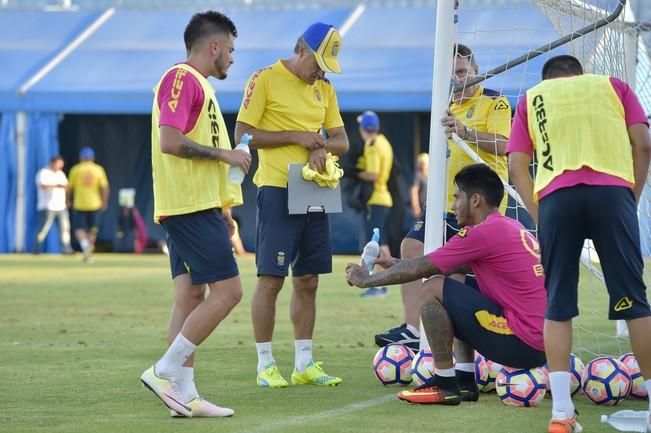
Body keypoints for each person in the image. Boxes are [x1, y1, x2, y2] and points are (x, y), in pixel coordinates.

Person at [507, 55, 651, 433]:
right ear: (580, 76)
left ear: (549, 79)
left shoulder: (532, 97)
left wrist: (540, 216)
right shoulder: (613, 85)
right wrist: (629, 197)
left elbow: (517, 165)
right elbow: (644, 145)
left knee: (557, 305)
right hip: (613, 196)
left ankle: (561, 413)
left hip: (557, 201)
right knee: (634, 303)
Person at [346, 163, 546, 405]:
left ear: (475, 200)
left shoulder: (483, 233)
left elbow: (423, 267)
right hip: (541, 343)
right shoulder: (509, 226)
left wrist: (365, 280)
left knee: (432, 287)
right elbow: (451, 267)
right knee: (458, 289)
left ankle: (445, 383)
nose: (452, 206)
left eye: (457, 197)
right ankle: (464, 381)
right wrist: (392, 263)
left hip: (521, 341)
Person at [140, 10, 251, 418]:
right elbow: (171, 142)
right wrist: (228, 154)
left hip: (198, 205)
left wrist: (223, 204)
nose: (234, 59)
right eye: (232, 50)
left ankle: (182, 396)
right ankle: (165, 370)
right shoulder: (181, 78)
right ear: (215, 46)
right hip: (187, 206)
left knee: (190, 296)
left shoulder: (199, 85)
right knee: (230, 292)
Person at [374, 43, 512, 351]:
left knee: (462, 271)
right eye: (451, 75)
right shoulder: (444, 104)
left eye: (463, 72)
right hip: (446, 202)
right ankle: (412, 329)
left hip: (481, 207)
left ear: (476, 71)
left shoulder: (495, 101)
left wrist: (465, 132)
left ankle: (472, 339)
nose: (458, 80)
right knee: (412, 246)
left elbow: (504, 145)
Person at [235, 22, 349, 388]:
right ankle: (265, 364)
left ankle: (304, 362)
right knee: (271, 279)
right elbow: (243, 135)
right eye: (318, 63)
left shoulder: (325, 89)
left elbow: (342, 141)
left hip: (316, 189)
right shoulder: (265, 78)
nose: (320, 72)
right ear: (301, 50)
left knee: (310, 279)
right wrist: (301, 137)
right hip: (277, 187)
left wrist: (319, 146)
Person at [355, 110, 394, 298]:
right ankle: (382, 284)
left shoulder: (372, 145)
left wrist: (354, 172)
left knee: (374, 245)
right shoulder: (384, 142)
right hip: (384, 198)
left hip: (376, 199)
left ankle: (379, 286)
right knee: (382, 242)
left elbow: (373, 174)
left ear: (363, 128)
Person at [67, 147, 109, 262]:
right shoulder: (98, 169)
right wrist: (104, 202)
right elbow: (105, 188)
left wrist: (68, 200)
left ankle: (85, 245)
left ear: (81, 158)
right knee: (93, 229)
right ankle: (88, 248)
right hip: (95, 204)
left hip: (79, 204)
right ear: (93, 158)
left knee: (79, 228)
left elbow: (69, 188)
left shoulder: (75, 169)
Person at [34, 155, 73, 254]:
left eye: (61, 165)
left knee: (65, 228)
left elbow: (67, 188)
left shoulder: (61, 174)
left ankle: (66, 249)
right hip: (47, 206)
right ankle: (36, 249)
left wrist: (68, 200)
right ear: (52, 163)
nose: (59, 167)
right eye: (58, 164)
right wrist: (57, 185)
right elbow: (44, 186)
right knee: (44, 229)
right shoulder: (44, 173)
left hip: (61, 206)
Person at [410, 153, 428, 219]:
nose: (423, 166)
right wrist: (416, 208)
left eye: (424, 164)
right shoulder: (418, 176)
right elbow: (414, 191)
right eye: (421, 164)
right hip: (421, 210)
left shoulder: (430, 177)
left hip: (427, 209)